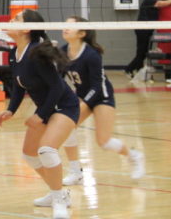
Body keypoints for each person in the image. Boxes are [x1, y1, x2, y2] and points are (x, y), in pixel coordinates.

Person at [0, 10, 79, 219]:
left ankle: (60, 199)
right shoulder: (14, 54)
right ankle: (56, 191)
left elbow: (57, 88)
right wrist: (11, 109)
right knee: (29, 155)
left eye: (16, 19)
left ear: (26, 29)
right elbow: (19, 86)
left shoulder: (36, 53)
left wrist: (40, 115)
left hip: (64, 107)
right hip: (47, 108)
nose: (10, 21)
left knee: (46, 150)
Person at [52, 16, 145, 195]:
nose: (65, 28)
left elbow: (96, 86)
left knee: (104, 141)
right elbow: (59, 81)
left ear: (82, 33)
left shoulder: (91, 55)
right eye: (64, 25)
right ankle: (75, 172)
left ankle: (134, 156)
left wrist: (83, 103)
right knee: (67, 127)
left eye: (70, 26)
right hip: (82, 96)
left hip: (102, 97)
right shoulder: (62, 52)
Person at [124, 0, 171, 79]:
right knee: (141, 52)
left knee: (143, 52)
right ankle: (129, 69)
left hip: (147, 29)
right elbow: (162, 3)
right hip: (142, 29)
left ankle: (138, 71)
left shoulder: (151, 0)